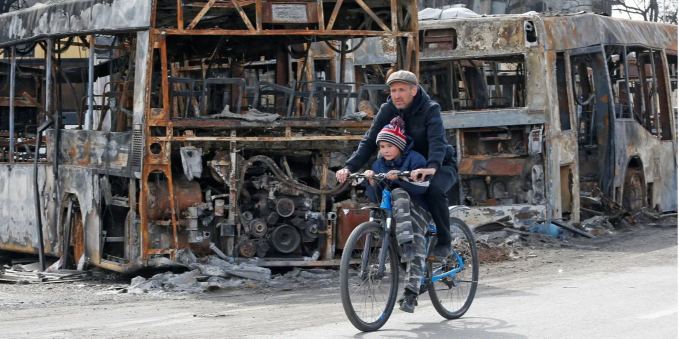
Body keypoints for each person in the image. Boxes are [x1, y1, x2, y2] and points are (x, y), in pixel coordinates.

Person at [337, 70, 458, 258]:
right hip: (406, 167)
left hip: (438, 164)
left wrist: (432, 167)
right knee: (390, 192)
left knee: (434, 190)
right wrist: (349, 167)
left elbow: (437, 141)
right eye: (393, 91)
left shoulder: (429, 109)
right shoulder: (388, 110)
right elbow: (369, 141)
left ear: (414, 90)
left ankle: (444, 241)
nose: (396, 95)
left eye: (401, 90)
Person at [362, 116, 430, 313]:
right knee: (391, 197)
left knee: (399, 193)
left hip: (418, 207)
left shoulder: (415, 159)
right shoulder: (378, 165)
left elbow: (423, 188)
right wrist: (372, 182)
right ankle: (404, 245)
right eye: (381, 146)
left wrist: (401, 177)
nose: (385, 150)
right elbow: (376, 197)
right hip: (394, 214)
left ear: (400, 145)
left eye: (389, 146)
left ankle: (410, 295)